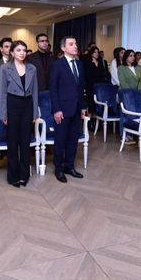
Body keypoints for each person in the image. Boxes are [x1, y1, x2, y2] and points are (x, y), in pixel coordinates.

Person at [0, 40, 39, 187]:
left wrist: (35, 112)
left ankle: (24, 175)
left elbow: (35, 92)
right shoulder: (5, 68)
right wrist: (3, 114)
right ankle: (12, 176)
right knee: (13, 142)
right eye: (18, 50)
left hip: (27, 106)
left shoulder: (32, 68)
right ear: (12, 52)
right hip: (12, 105)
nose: (22, 53)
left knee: (25, 141)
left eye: (24, 50)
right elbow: (2, 93)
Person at [49, 36, 87, 183]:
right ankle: (58, 168)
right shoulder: (57, 65)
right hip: (62, 110)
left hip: (76, 108)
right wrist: (56, 109)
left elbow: (81, 88)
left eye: (76, 43)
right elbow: (53, 89)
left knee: (73, 140)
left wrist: (83, 106)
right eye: (71, 44)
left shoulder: (80, 64)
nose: (75, 46)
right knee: (60, 140)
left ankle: (69, 166)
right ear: (63, 48)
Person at [83, 46, 107, 119]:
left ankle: (96, 119)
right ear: (91, 53)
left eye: (97, 52)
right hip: (90, 86)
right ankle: (90, 119)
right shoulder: (88, 63)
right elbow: (87, 75)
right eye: (94, 52)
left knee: (98, 103)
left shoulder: (100, 62)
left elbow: (103, 74)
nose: (96, 54)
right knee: (91, 103)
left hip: (99, 86)